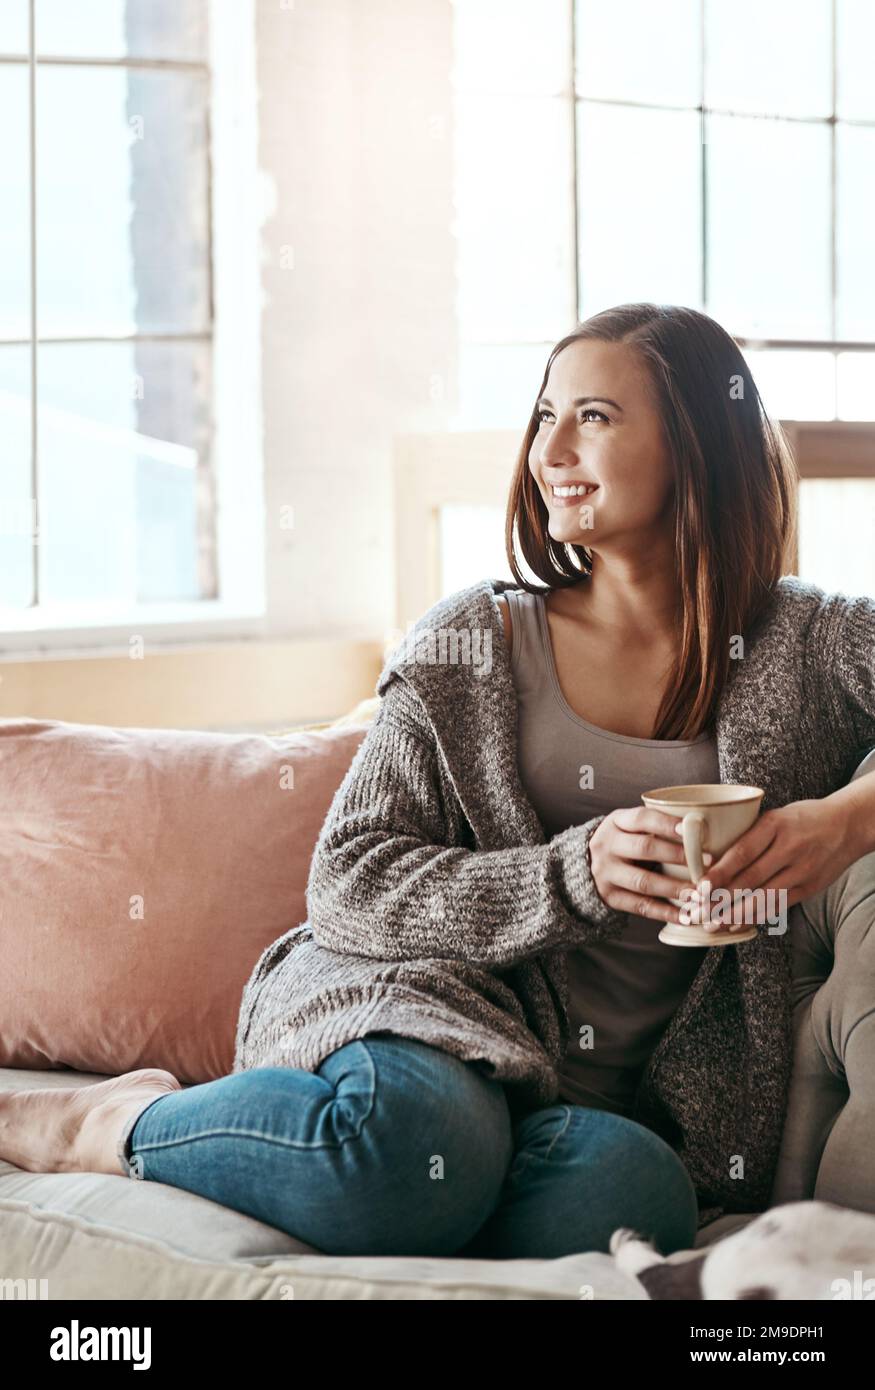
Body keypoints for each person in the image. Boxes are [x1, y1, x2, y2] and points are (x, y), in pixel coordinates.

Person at [2, 303, 874, 1259]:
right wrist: (570, 873)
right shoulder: (475, 642)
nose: (550, 452)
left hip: (571, 1102)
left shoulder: (809, 644)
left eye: (593, 417)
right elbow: (348, 880)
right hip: (420, 1004)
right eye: (544, 417)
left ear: (699, 442)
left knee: (631, 1198)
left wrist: (840, 822)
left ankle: (411, 1179)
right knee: (413, 1144)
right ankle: (103, 1125)